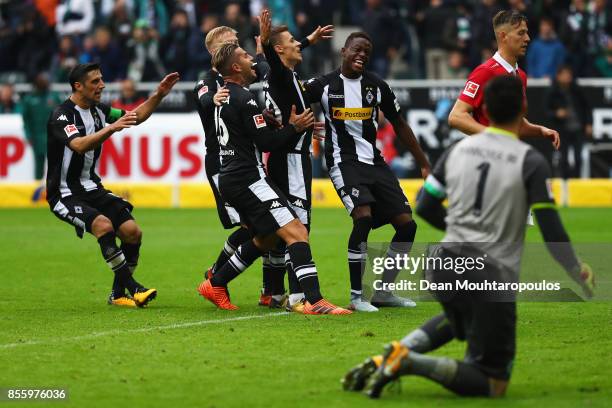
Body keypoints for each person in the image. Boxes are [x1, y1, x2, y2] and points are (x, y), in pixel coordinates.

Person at [342, 75, 595, 399]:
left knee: (460, 317)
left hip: (444, 263)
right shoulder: (530, 161)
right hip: (490, 272)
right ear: (524, 107)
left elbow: (426, 206)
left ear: (484, 109)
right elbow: (551, 228)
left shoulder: (458, 150)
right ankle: (408, 362)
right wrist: (575, 268)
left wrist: (461, 231)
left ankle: (390, 354)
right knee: (493, 382)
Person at [196, 42, 351, 315]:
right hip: (248, 179)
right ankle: (314, 300)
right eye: (245, 56)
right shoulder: (245, 99)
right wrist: (295, 127)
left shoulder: (229, 95)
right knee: (297, 232)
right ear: (235, 67)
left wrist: (267, 119)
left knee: (267, 239)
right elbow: (267, 143)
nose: (251, 60)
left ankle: (216, 282)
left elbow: (250, 132)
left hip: (233, 178)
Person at [303, 32, 431, 311]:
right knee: (363, 217)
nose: (362, 55)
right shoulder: (323, 85)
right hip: (343, 162)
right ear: (344, 51)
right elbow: (289, 96)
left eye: (367, 52)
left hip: (374, 163)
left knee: (407, 225)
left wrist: (423, 162)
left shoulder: (376, 86)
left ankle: (384, 291)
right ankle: (356, 296)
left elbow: (400, 124)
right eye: (357, 50)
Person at [46, 63, 179, 307]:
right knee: (103, 225)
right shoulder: (63, 115)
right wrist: (111, 129)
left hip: (92, 188)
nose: (102, 85)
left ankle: (117, 295)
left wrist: (158, 95)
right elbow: (79, 145)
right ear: (78, 86)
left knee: (132, 232)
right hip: (64, 194)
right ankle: (133, 287)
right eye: (95, 81)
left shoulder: (98, 110)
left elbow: (133, 118)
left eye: (101, 79)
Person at [258, 9, 334, 312]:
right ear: (279, 50)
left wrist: (309, 39)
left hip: (285, 155)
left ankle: (272, 292)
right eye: (292, 42)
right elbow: (273, 55)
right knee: (299, 227)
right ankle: (299, 297)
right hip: (291, 160)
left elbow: (279, 54)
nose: (298, 46)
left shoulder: (284, 76)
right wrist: (265, 41)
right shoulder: (279, 73)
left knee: (280, 228)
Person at [193, 25, 272, 307]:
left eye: (237, 42)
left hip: (243, 161)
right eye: (230, 43)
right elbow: (202, 97)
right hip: (222, 162)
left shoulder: (240, 80)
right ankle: (217, 277)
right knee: (253, 225)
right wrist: (210, 100)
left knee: (255, 225)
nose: (237, 47)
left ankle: (222, 277)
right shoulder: (207, 81)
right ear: (214, 51)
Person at [448, 10, 560, 149]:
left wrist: (540, 130)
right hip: (487, 156)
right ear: (503, 36)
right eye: (521, 33)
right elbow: (456, 116)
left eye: (526, 32)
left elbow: (513, 122)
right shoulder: (485, 71)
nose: (527, 38)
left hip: (509, 155)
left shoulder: (521, 75)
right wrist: (493, 136)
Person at [545, 65, 592, 178]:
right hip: (562, 129)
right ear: (558, 76)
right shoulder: (552, 92)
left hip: (577, 127)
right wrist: (556, 113)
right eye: (564, 74)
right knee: (563, 157)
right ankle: (565, 181)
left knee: (578, 157)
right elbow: (546, 111)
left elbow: (586, 107)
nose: (567, 77)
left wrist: (588, 124)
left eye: (569, 74)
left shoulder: (576, 89)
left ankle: (577, 180)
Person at [21, 72, 62, 194]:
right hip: (37, 136)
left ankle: (57, 188)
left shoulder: (53, 97)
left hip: (53, 136)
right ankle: (37, 190)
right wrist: (28, 135)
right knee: (39, 164)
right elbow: (26, 119)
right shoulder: (29, 99)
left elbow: (62, 114)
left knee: (55, 163)